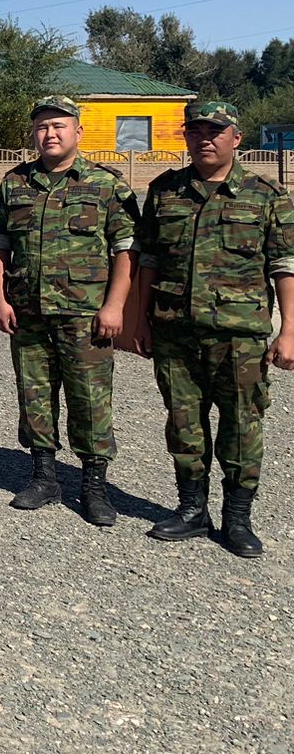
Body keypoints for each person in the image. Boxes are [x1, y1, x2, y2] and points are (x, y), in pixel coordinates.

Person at [130, 100, 294, 558]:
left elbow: (285, 265)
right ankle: (191, 510)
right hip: (174, 331)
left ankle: (237, 519)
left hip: (239, 336)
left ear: (235, 138)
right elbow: (148, 258)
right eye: (196, 130)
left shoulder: (266, 193)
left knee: (242, 427)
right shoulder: (165, 190)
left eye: (215, 131)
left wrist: (290, 331)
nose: (205, 138)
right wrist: (139, 319)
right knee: (184, 425)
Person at [0, 96, 138, 526]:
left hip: (85, 315)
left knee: (91, 400)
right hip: (28, 312)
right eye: (41, 127)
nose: (49, 134)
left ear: (78, 132)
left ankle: (93, 486)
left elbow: (126, 251)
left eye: (58, 125)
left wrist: (114, 307)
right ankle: (44, 477)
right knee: (34, 395)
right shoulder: (15, 183)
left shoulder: (105, 185)